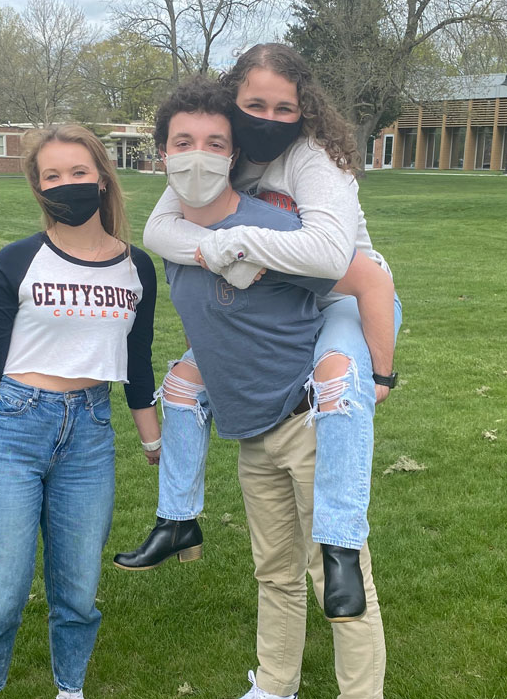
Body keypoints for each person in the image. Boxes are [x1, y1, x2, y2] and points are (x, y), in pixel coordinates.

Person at [114, 44, 402, 623]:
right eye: (255, 104)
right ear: (233, 102)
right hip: (282, 303)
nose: (268, 118)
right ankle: (178, 518)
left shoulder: (315, 159)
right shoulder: (224, 153)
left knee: (339, 386)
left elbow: (329, 258)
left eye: (284, 107)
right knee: (182, 386)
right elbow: (158, 230)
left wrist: (233, 243)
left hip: (347, 299)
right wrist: (215, 252)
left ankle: (341, 544)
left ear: (304, 109)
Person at [0, 124, 162, 699]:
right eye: (52, 176)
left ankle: (71, 689)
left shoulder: (137, 268)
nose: (67, 185)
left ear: (102, 177)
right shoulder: (17, 262)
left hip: (90, 433)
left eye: (78, 173)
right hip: (10, 431)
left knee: (78, 591)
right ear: (39, 189)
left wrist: (154, 443)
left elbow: (136, 364)